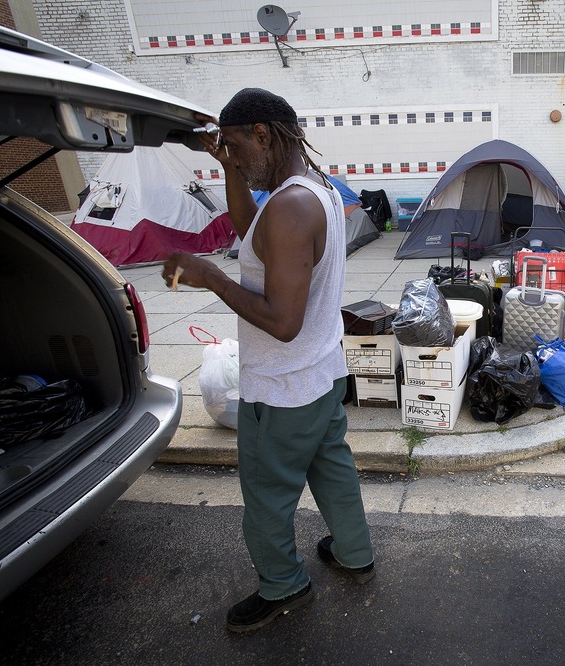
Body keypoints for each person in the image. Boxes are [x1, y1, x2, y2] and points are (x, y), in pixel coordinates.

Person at [162, 88, 374, 634]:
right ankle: (354, 552)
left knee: (266, 496)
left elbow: (283, 322)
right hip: (321, 376)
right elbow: (249, 230)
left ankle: (283, 586)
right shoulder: (313, 190)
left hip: (282, 390)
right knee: (332, 470)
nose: (233, 156)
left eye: (236, 146)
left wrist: (210, 277)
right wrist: (228, 167)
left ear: (263, 133)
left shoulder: (290, 207)